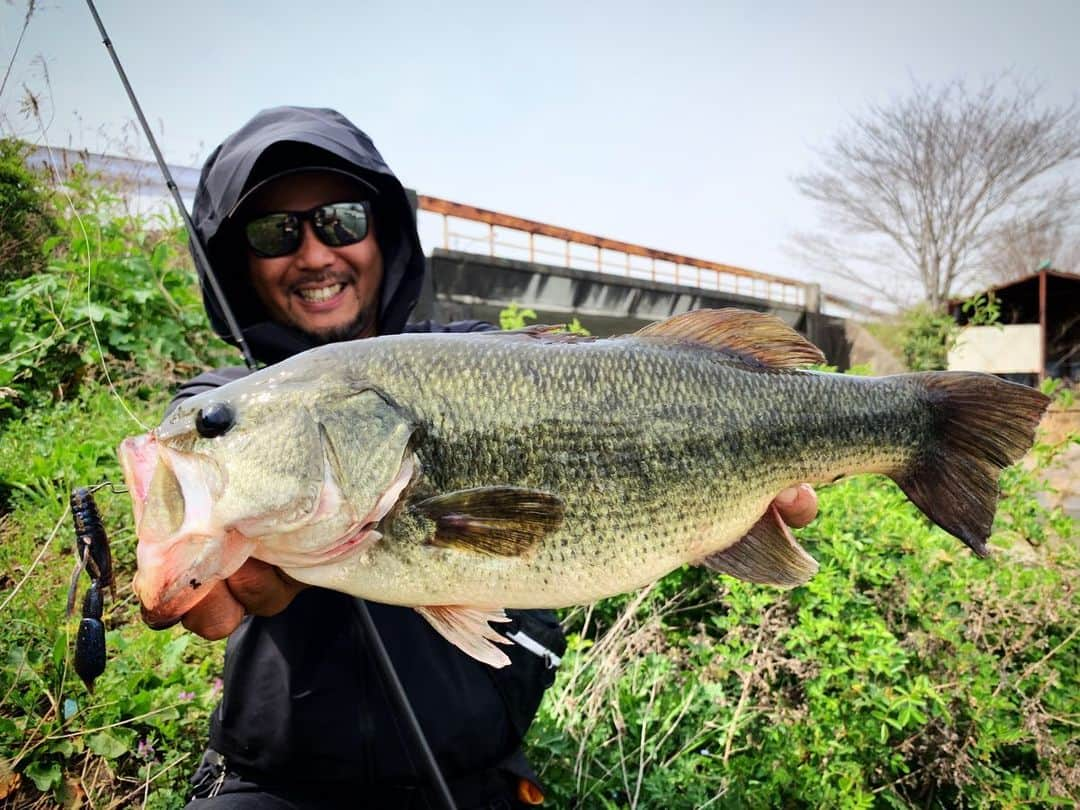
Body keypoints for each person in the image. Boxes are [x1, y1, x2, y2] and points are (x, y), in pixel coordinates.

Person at [169, 106, 819, 809]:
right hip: (275, 785)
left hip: (476, 780)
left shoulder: (479, 353)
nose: (315, 253)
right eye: (275, 232)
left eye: (342, 221)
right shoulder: (227, 395)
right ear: (238, 259)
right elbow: (194, 452)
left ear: (384, 231)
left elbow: (599, 392)